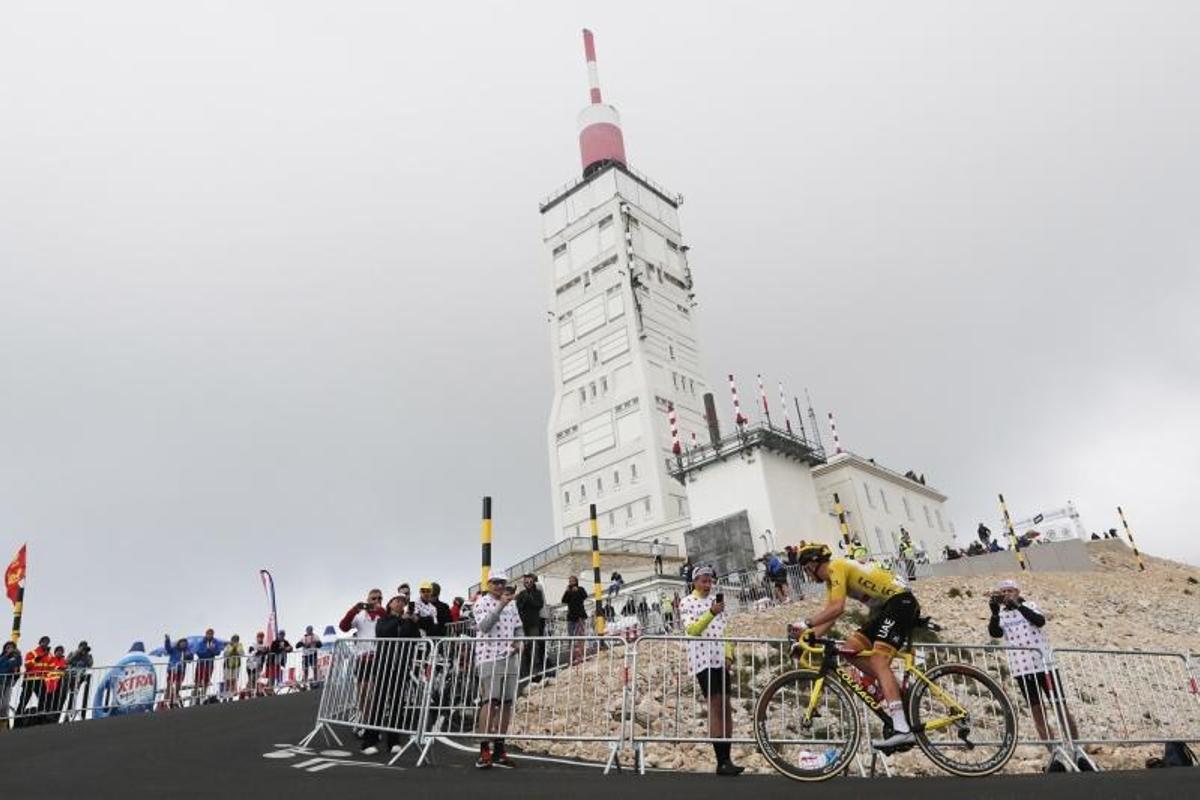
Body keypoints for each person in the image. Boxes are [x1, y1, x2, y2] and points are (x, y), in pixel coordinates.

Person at [789, 542, 920, 750]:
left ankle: (902, 729)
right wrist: (805, 639)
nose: (806, 573)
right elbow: (832, 615)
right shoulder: (832, 580)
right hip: (886, 608)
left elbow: (836, 607)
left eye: (806, 568)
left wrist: (806, 623)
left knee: (878, 659)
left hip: (899, 602)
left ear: (814, 563)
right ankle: (895, 692)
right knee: (850, 650)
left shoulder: (835, 567)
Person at [987, 579, 1087, 771]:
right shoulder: (1001, 614)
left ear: (1017, 591)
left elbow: (1040, 621)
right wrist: (993, 612)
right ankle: (1055, 753)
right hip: (1021, 669)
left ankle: (1076, 748)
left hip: (1044, 665)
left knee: (1060, 707)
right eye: (1003, 591)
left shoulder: (1030, 605)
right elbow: (995, 633)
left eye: (1010, 590)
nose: (1007, 594)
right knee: (1037, 712)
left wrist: (1018, 606)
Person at [680, 565, 744, 776]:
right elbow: (692, 629)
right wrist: (710, 613)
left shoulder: (716, 602)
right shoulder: (687, 602)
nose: (708, 585)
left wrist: (729, 654)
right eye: (703, 581)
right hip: (702, 659)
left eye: (710, 581)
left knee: (726, 705)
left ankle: (727, 758)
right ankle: (721, 760)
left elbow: (726, 629)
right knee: (715, 705)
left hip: (719, 658)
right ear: (695, 582)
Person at [473, 573, 522, 769]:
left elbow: (519, 626)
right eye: (495, 582)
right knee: (490, 700)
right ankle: (485, 747)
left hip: (509, 655)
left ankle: (499, 748)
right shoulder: (481, 602)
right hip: (489, 656)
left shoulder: (512, 604)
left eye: (502, 583)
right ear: (488, 584)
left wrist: (519, 641)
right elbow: (484, 626)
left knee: (507, 702)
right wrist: (500, 605)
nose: (499, 586)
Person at [364, 595, 423, 756]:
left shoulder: (406, 621)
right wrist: (400, 620)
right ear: (390, 604)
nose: (401, 604)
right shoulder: (383, 620)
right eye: (397, 601)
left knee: (397, 704)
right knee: (379, 704)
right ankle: (369, 740)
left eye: (403, 602)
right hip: (384, 667)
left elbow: (416, 638)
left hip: (401, 668)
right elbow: (383, 632)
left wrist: (412, 621)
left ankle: (394, 741)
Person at [339, 589, 386, 752]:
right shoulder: (359, 615)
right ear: (367, 599)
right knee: (363, 695)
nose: (376, 600)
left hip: (379, 658)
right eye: (373, 598)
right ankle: (368, 725)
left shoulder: (382, 614)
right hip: (362, 658)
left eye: (379, 598)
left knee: (375, 694)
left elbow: (389, 620)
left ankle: (374, 727)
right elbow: (343, 627)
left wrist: (378, 608)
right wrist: (354, 609)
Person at [14, 636, 51, 728]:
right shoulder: (32, 653)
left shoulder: (49, 656)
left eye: (47, 642)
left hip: (41, 681)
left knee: (43, 701)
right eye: (44, 641)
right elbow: (27, 665)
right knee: (23, 702)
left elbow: (49, 668)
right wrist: (38, 658)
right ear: (40, 642)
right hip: (29, 680)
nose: (46, 643)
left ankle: (40, 721)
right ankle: (16, 724)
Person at [515, 573, 546, 681]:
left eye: (530, 582)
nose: (528, 584)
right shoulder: (521, 594)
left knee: (534, 646)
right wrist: (525, 599)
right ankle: (524, 671)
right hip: (523, 623)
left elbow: (539, 605)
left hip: (534, 623)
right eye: (526, 582)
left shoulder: (537, 593)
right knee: (523, 647)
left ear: (533, 582)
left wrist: (529, 598)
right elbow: (519, 606)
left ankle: (535, 671)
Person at [562, 575, 589, 665]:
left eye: (572, 580)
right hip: (571, 617)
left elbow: (585, 596)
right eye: (569, 581)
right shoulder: (568, 591)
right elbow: (564, 600)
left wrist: (577, 591)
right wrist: (567, 591)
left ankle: (580, 656)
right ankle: (572, 656)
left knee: (580, 637)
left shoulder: (581, 589)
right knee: (571, 638)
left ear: (576, 581)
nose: (571, 582)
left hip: (579, 616)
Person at [64, 641, 93, 720]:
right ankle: (66, 713)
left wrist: (86, 655)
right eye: (82, 647)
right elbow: (67, 661)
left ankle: (74, 713)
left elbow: (90, 665)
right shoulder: (73, 653)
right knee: (67, 695)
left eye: (85, 647)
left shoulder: (87, 656)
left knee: (74, 694)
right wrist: (77, 653)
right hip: (70, 676)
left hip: (79, 677)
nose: (84, 649)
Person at [162, 636, 193, 709]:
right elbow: (168, 648)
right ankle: (165, 701)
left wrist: (188, 656)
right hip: (172, 669)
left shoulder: (187, 651)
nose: (183, 644)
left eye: (185, 643)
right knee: (169, 684)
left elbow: (190, 660)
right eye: (182, 643)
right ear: (179, 643)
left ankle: (175, 698)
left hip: (181, 670)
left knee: (178, 685)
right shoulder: (174, 649)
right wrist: (167, 640)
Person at [193, 629, 221, 704]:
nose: (210, 635)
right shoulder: (201, 642)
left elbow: (218, 652)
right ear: (206, 634)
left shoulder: (215, 642)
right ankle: (195, 696)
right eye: (208, 633)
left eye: (211, 634)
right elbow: (198, 652)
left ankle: (203, 696)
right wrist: (207, 650)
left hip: (210, 664)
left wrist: (212, 650)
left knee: (206, 680)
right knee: (197, 680)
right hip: (201, 663)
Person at [0, 641, 21, 730]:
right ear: (5, 649)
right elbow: (3, 667)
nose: (10, 649)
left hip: (8, 683)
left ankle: (4, 725)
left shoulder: (14, 658)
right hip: (0, 682)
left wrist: (18, 655)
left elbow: (18, 664)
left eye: (12, 647)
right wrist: (7, 656)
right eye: (8, 647)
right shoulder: (2, 658)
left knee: (5, 705)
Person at [245, 632, 267, 697]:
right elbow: (251, 652)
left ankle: (252, 694)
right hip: (251, 666)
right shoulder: (253, 644)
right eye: (259, 637)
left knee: (256, 680)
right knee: (251, 679)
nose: (261, 638)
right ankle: (246, 694)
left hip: (259, 665)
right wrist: (259, 651)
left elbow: (266, 652)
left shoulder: (264, 645)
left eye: (262, 637)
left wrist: (265, 651)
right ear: (257, 637)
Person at [221, 635, 243, 700]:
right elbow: (225, 654)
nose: (235, 641)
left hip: (236, 665)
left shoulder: (240, 645)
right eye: (234, 640)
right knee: (227, 680)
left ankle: (231, 696)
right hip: (227, 665)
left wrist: (236, 649)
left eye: (237, 640)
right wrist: (232, 649)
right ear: (231, 640)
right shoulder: (228, 645)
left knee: (234, 680)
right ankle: (225, 696)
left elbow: (242, 653)